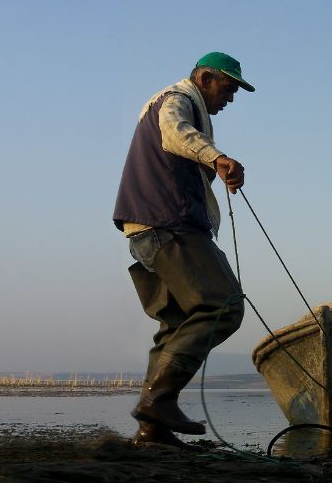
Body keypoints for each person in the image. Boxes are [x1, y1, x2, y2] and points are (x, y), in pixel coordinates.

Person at [112, 51, 254, 449]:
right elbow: (175, 132)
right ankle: (160, 400)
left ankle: (152, 432)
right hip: (169, 226)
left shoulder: (178, 105)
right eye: (228, 88)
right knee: (222, 305)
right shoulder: (176, 99)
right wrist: (218, 157)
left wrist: (214, 167)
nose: (231, 98)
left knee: (175, 324)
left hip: (144, 231)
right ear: (204, 77)